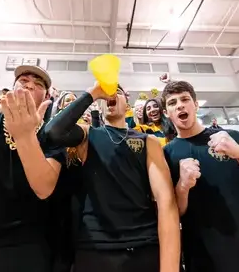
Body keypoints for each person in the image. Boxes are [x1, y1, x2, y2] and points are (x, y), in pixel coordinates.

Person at [45, 83, 180, 272]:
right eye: (106, 94)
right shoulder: (87, 136)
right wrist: (93, 93)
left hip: (143, 246)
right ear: (99, 105)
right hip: (95, 248)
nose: (110, 94)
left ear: (128, 104)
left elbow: (167, 203)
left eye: (116, 92)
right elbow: (53, 132)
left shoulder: (148, 141)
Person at [0, 66, 66, 272]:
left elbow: (44, 187)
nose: (30, 84)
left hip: (29, 245)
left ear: (47, 97)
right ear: (11, 88)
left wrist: (25, 136)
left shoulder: (53, 135)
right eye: (23, 80)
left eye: (39, 84)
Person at [162, 80, 239, 272]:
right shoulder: (165, 154)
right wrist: (182, 186)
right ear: (166, 113)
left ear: (195, 105)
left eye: (185, 99)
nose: (179, 105)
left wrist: (238, 153)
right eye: (172, 103)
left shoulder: (230, 137)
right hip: (200, 250)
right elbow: (173, 212)